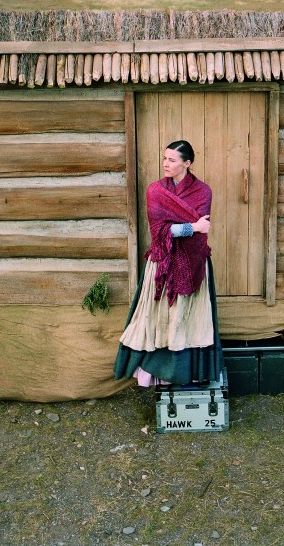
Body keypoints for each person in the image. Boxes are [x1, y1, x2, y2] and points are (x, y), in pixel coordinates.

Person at [114, 140, 223, 386]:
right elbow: (159, 232)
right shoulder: (156, 191)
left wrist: (182, 228)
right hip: (162, 263)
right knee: (157, 317)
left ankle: (189, 372)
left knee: (189, 317)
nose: (166, 163)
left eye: (172, 160)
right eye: (164, 158)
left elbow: (193, 231)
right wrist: (192, 226)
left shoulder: (203, 191)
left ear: (187, 163)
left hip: (194, 263)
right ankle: (155, 374)